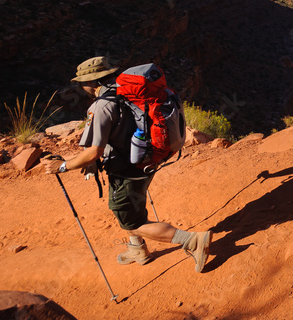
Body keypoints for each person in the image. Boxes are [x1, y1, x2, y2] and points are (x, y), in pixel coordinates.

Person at [44, 56, 211, 272]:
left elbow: (94, 151)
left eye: (82, 81)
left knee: (131, 221)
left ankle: (192, 240)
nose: (81, 86)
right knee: (132, 207)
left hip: (126, 170)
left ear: (93, 82)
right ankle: (137, 250)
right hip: (148, 159)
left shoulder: (102, 105)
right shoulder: (129, 92)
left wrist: (63, 166)